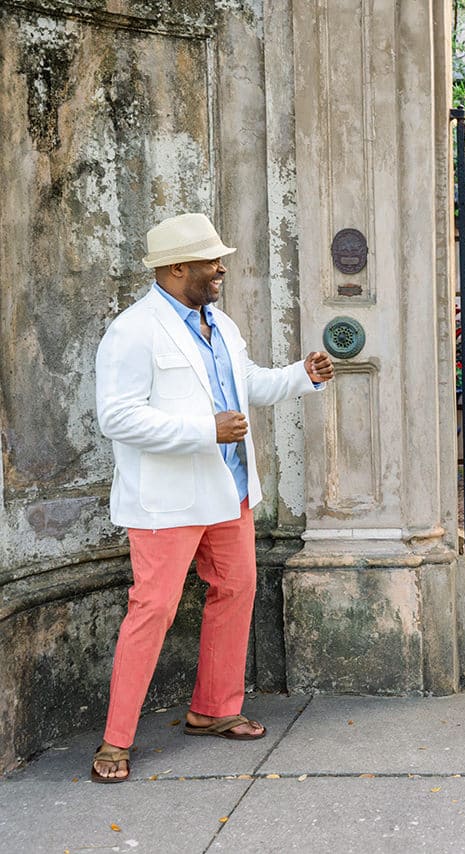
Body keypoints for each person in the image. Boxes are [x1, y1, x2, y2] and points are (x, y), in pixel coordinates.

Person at [90, 213, 335, 782]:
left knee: (236, 589)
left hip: (230, 493)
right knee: (153, 610)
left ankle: (214, 709)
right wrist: (205, 430)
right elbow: (117, 417)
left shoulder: (219, 325)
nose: (221, 267)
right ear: (177, 268)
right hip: (166, 502)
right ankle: (114, 741)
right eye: (210, 260)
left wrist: (304, 374)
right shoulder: (133, 330)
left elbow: (247, 384)